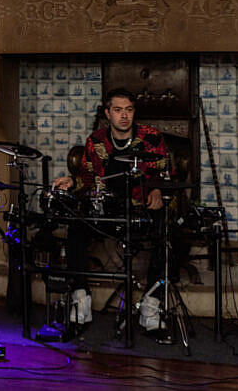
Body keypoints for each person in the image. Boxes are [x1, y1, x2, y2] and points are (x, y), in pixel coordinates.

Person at [52, 88, 170, 323]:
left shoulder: (151, 138)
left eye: (128, 110)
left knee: (164, 229)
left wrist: (158, 190)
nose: (124, 116)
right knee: (76, 228)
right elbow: (86, 179)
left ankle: (151, 305)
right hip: (107, 210)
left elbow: (165, 174)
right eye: (118, 110)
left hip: (140, 210)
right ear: (108, 113)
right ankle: (81, 300)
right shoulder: (96, 141)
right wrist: (70, 181)